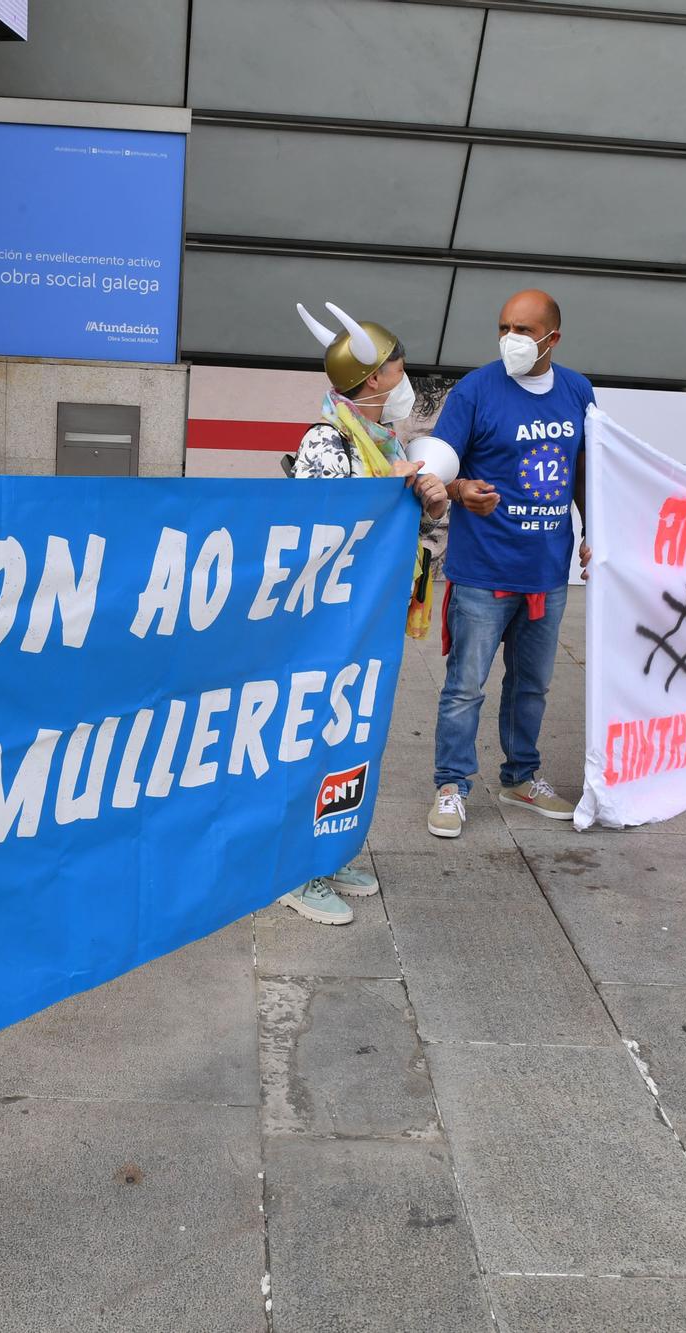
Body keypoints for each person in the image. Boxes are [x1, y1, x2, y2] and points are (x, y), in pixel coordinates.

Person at [278, 302, 452, 923]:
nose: (406, 377)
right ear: (376, 378)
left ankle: (329, 851)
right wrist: (395, 486)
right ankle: (296, 869)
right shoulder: (327, 440)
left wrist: (429, 500)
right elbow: (329, 531)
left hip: (372, 620)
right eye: (399, 367)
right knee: (313, 740)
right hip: (329, 627)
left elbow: (417, 531)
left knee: (353, 737)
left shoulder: (382, 441)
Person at [424, 289, 594, 838]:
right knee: (465, 686)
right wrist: (457, 490)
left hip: (547, 571)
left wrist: (600, 532)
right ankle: (451, 785)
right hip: (483, 572)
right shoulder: (475, 391)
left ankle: (521, 776)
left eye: (523, 330)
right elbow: (437, 470)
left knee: (532, 685)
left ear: (553, 338)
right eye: (504, 327)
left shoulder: (578, 391)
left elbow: (587, 471)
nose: (511, 340)